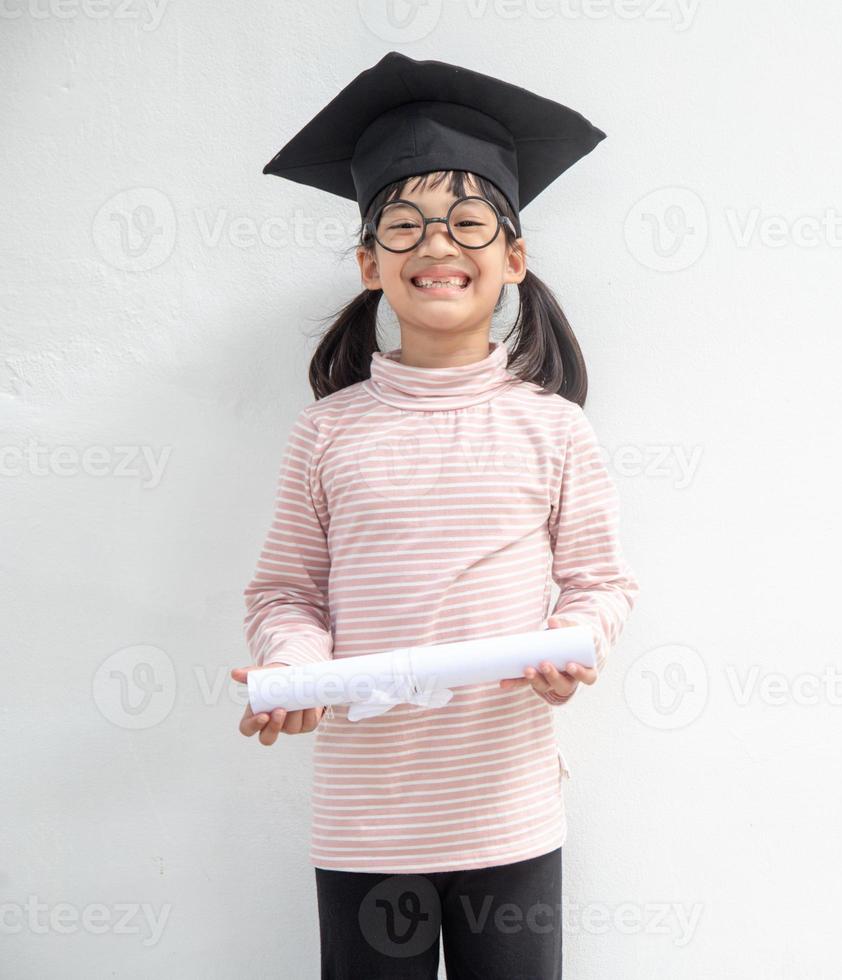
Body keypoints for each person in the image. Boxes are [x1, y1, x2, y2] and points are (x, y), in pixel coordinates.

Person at [228, 51, 639, 979]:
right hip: (370, 821)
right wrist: (295, 669)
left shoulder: (554, 430)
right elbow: (287, 592)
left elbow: (600, 579)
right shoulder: (327, 434)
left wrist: (574, 640)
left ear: (514, 259)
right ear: (371, 263)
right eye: (403, 227)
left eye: (467, 223)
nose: (437, 247)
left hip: (508, 810)